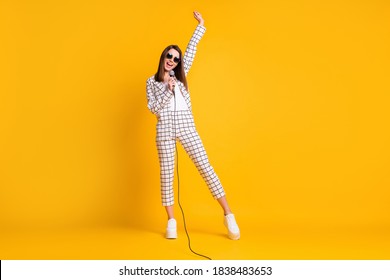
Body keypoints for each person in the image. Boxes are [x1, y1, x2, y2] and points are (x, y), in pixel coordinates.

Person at [146, 11, 240, 240]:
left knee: (205, 167)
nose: (172, 60)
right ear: (163, 57)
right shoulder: (152, 82)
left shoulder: (181, 75)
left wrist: (201, 25)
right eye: (169, 56)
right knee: (166, 175)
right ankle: (171, 222)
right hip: (165, 130)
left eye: (176, 58)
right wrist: (167, 91)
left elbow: (191, 50)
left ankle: (228, 214)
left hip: (186, 126)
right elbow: (153, 109)